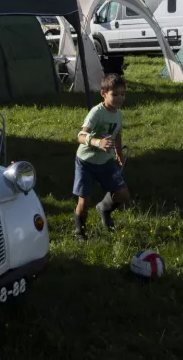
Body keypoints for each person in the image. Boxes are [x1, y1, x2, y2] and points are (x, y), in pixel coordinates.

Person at [73, 73, 130, 240]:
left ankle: (104, 208)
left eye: (123, 94)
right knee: (84, 203)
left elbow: (117, 135)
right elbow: (80, 136)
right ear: (104, 94)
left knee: (123, 195)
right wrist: (98, 143)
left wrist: (118, 154)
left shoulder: (118, 114)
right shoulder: (96, 113)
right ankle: (80, 233)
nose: (120, 98)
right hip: (86, 162)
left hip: (106, 161)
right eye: (115, 94)